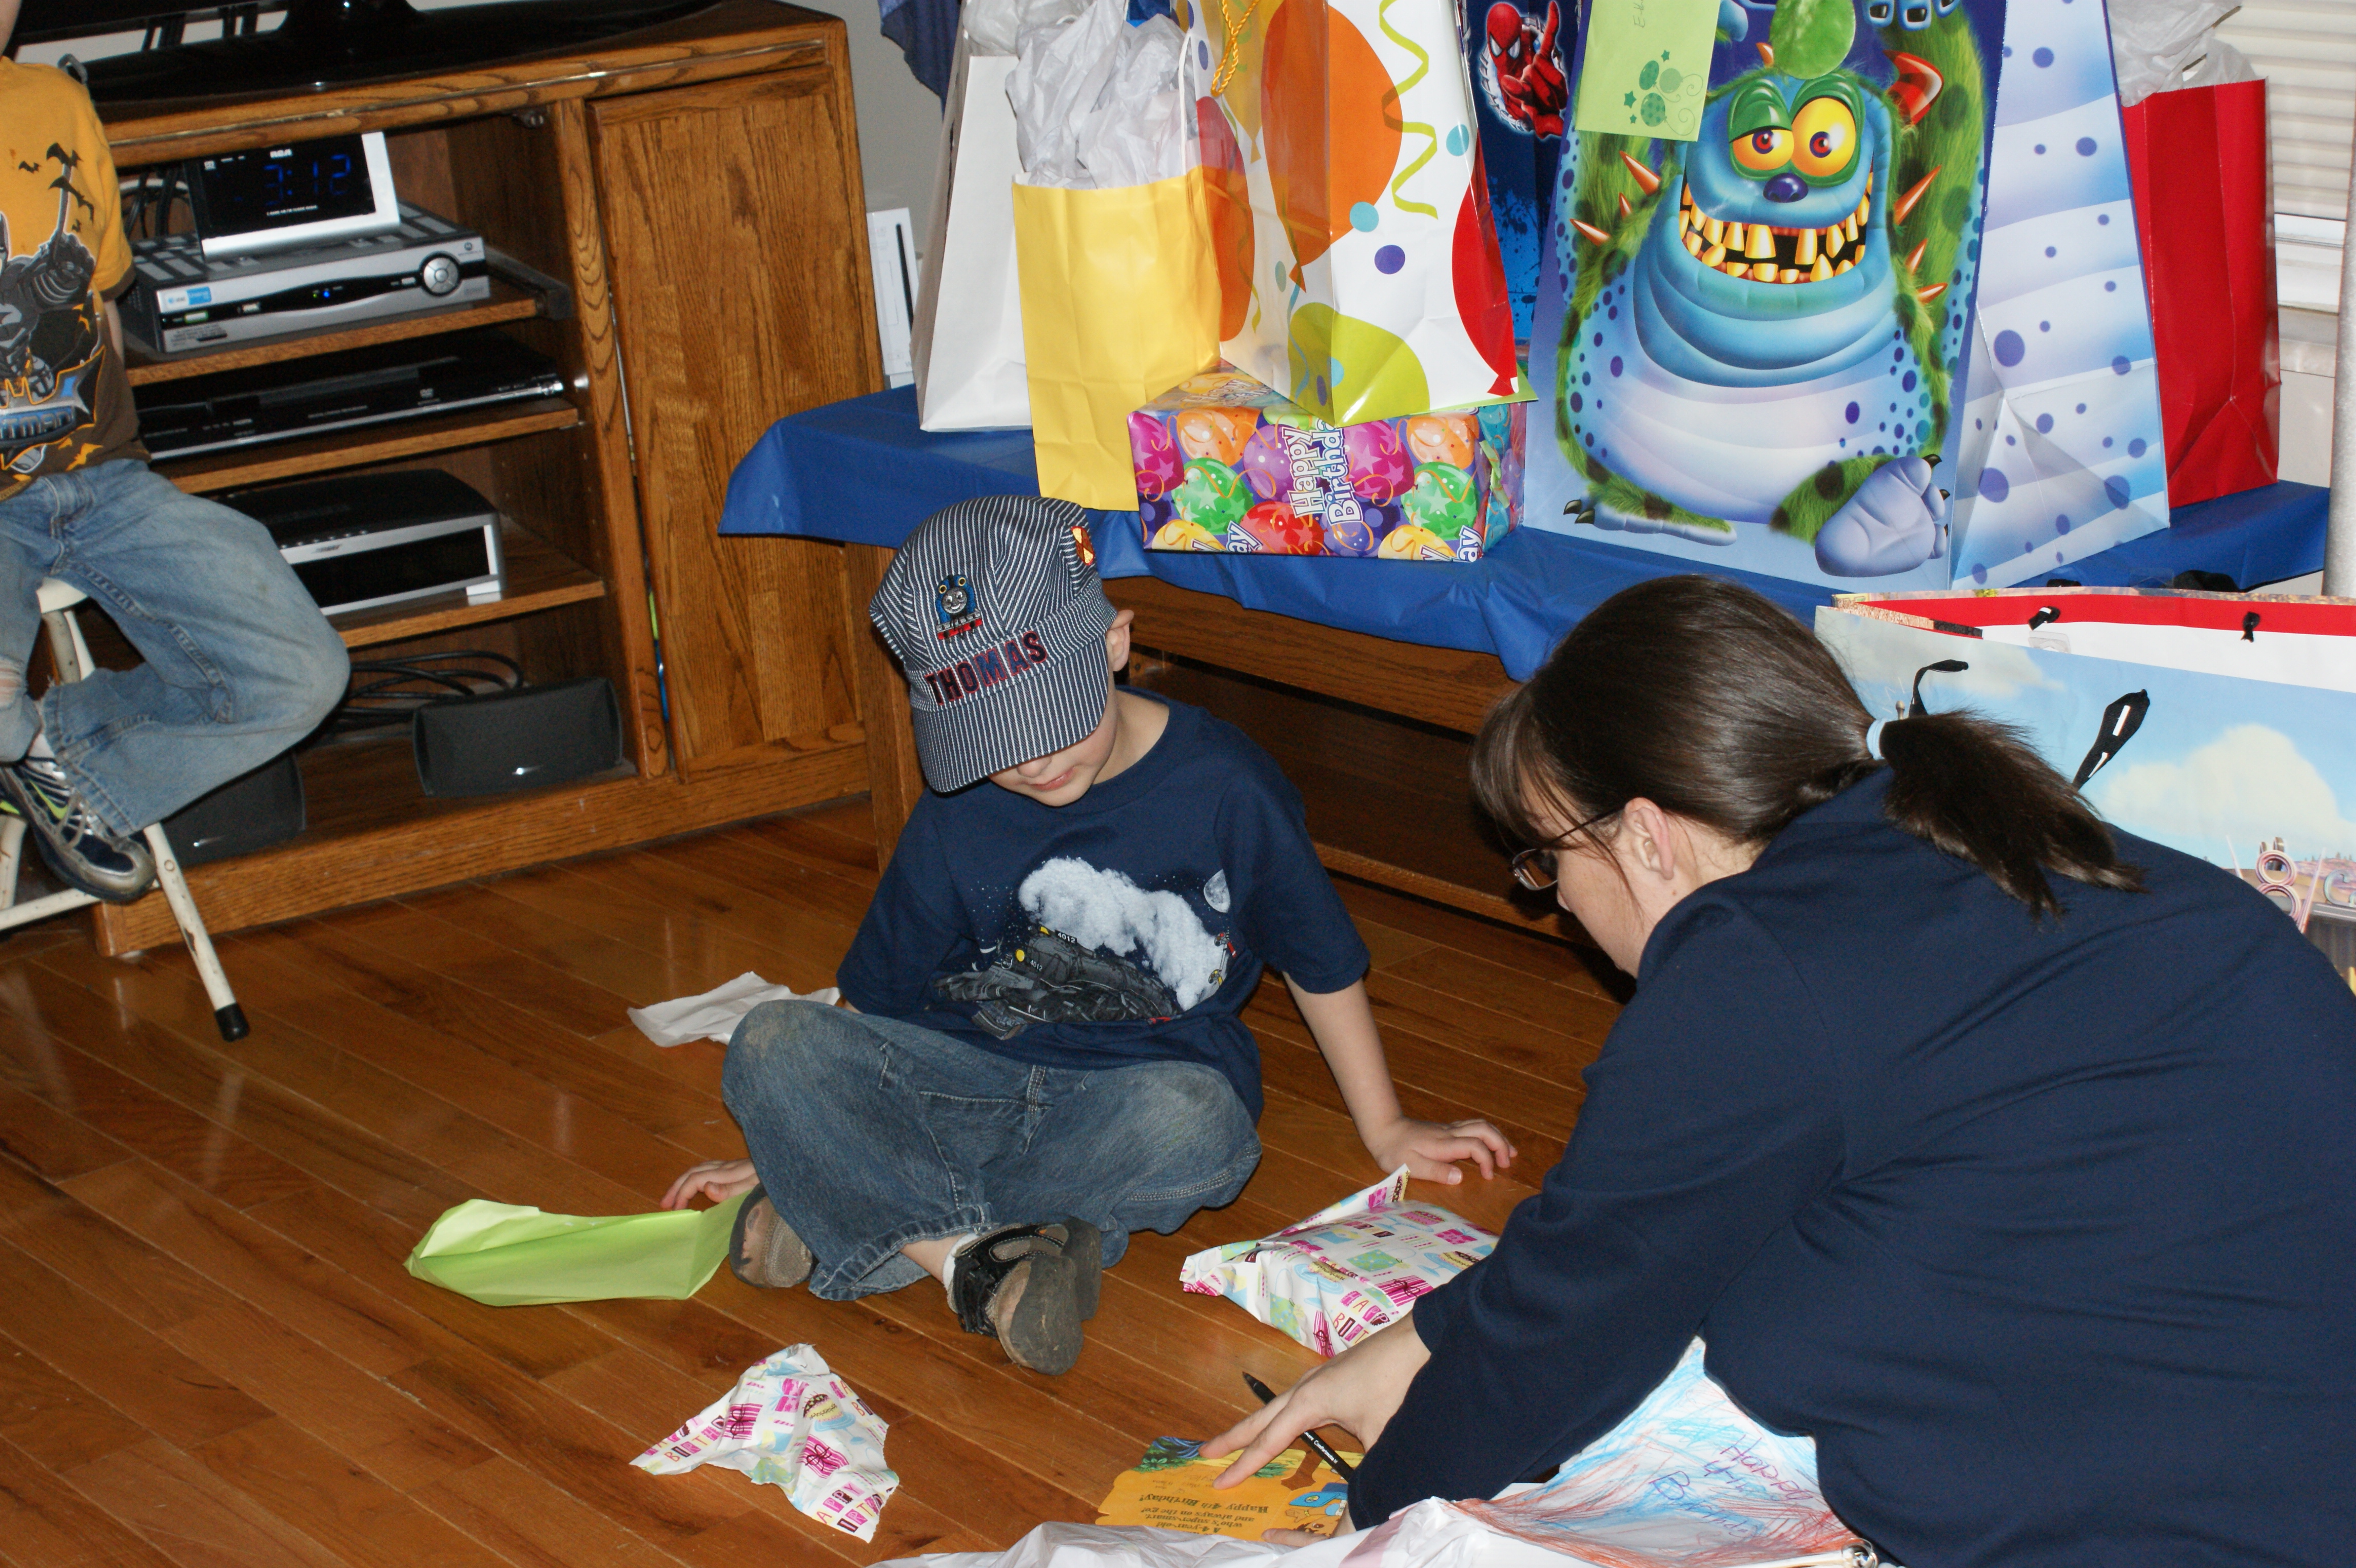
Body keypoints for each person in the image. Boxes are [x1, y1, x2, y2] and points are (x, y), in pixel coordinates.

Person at [1210, 576, 2356, 1566]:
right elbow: (1624, 1228)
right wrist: (1424, 1337)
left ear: (1646, 835)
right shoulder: (1959, 839)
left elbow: (1573, 1323)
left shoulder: (1757, 960)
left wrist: (1366, 1515)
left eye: (1547, 862)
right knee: (1763, 1253)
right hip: (2287, 1423)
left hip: (2194, 1519)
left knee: (1759, 1301)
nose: (1556, 904)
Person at [663, 496, 1513, 1375]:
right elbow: (871, 998)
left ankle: (854, 1206)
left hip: (1129, 1098)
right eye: (991, 740)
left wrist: (1385, 1126)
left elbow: (1319, 959)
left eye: (1047, 720)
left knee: (1203, 1125)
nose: (1029, 761)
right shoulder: (959, 809)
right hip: (959, 1083)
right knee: (771, 1039)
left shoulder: (1228, 787)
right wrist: (789, 1126)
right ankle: (966, 1261)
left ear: (1114, 644)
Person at [0, 23, 350, 901]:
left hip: (103, 477)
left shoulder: (54, 103)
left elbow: (99, 301)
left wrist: (114, 447)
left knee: (302, 674)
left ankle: (56, 758)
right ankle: (21, 745)